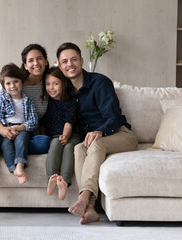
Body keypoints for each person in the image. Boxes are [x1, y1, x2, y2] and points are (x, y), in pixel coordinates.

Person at [56, 42, 138, 224]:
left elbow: (114, 117)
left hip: (121, 135)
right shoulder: (65, 91)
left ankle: (84, 198)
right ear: (60, 66)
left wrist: (100, 131)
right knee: (78, 149)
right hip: (92, 141)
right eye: (65, 61)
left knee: (96, 143)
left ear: (82, 61)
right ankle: (91, 209)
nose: (70, 64)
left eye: (74, 59)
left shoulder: (100, 82)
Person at [0, 44, 51, 205]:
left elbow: (39, 120)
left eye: (39, 58)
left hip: (24, 131)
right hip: (0, 126)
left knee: (44, 142)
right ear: (25, 65)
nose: (36, 63)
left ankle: (6, 146)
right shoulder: (12, 81)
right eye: (31, 60)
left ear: (45, 61)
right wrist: (2, 130)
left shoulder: (50, 83)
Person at [40, 67, 80, 200]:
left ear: (64, 84)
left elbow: (69, 122)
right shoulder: (47, 102)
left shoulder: (70, 103)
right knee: (55, 144)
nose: (51, 87)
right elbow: (42, 122)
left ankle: (64, 182)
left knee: (69, 147)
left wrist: (66, 136)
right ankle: (52, 178)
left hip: (72, 135)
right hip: (54, 137)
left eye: (55, 83)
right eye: (48, 84)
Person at [0, 63, 38, 184]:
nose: (12, 86)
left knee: (22, 139)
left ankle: (20, 165)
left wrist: (20, 127)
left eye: (16, 81)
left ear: (22, 82)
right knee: (6, 145)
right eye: (8, 83)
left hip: (23, 128)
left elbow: (33, 122)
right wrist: (8, 130)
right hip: (6, 129)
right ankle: (15, 171)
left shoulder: (28, 101)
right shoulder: (1, 100)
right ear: (3, 86)